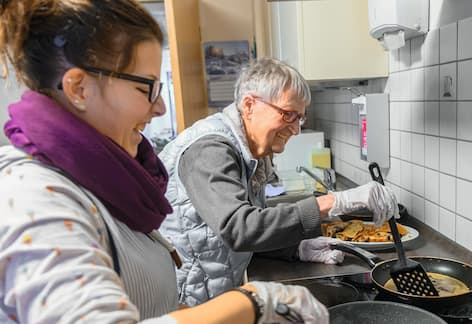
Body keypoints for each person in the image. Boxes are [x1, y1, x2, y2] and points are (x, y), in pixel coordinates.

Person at [0, 1, 328, 323]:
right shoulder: (33, 197)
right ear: (79, 88)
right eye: (148, 88)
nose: (160, 109)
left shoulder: (103, 179)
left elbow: (149, 305)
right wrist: (251, 303)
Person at [159, 57, 400, 306]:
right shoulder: (210, 149)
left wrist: (295, 248)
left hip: (211, 295)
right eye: (287, 114)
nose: (295, 129)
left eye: (299, 118)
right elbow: (238, 228)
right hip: (184, 304)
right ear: (249, 105)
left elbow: (241, 228)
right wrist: (334, 201)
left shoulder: (251, 153)